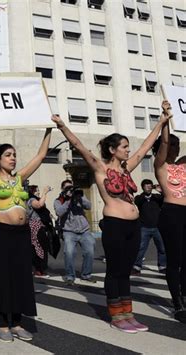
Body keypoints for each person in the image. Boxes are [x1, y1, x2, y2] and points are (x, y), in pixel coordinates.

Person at [51, 101, 171, 333]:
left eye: (128, 147)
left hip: (133, 225)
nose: (128, 150)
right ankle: (116, 315)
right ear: (112, 150)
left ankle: (128, 313)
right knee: (115, 269)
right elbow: (79, 146)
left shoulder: (127, 168)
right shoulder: (99, 168)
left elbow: (146, 146)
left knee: (126, 270)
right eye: (124, 146)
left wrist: (161, 122)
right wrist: (62, 125)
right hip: (115, 224)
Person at [0, 101, 53, 343]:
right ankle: (3, 322)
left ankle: (17, 321)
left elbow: (40, 155)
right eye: (8, 155)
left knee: (20, 277)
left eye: (15, 155)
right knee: (2, 277)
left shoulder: (20, 178)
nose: (13, 158)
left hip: (22, 234)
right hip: (3, 234)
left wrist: (49, 128)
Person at [152, 105, 186, 323]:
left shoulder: (184, 163)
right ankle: (177, 302)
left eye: (177, 144)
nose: (175, 147)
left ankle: (184, 295)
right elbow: (164, 143)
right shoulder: (160, 165)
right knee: (174, 260)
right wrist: (166, 120)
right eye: (172, 144)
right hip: (171, 213)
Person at [54, 179, 96, 285]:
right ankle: (70, 276)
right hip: (69, 231)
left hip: (84, 230)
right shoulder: (59, 200)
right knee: (69, 253)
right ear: (62, 189)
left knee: (89, 252)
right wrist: (68, 200)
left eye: (71, 187)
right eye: (67, 188)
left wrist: (80, 197)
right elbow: (59, 212)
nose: (70, 190)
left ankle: (86, 275)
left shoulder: (79, 196)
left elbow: (89, 206)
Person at [132, 179, 166, 275]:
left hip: (157, 227)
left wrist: (160, 191)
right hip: (144, 227)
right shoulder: (139, 197)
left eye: (150, 185)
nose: (148, 187)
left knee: (162, 248)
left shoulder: (157, 197)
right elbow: (138, 202)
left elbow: (165, 199)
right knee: (141, 248)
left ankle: (162, 266)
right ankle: (136, 267)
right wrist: (146, 194)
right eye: (146, 185)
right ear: (143, 187)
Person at [27, 185, 53, 278]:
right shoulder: (31, 200)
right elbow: (39, 205)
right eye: (37, 191)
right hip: (35, 227)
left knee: (39, 248)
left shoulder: (35, 199)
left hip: (39, 226)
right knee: (39, 248)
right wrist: (45, 192)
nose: (38, 192)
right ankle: (39, 270)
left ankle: (38, 269)